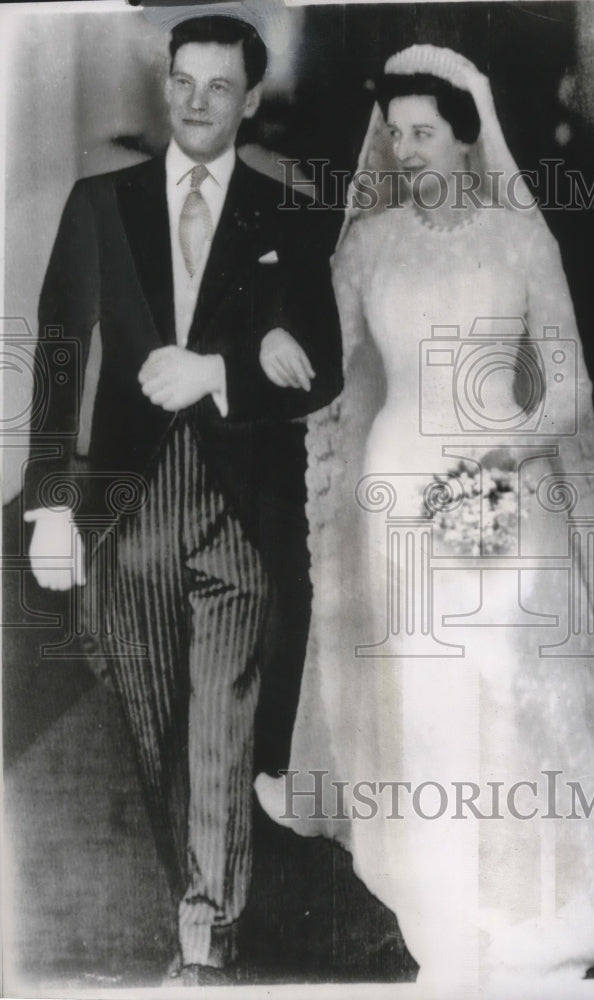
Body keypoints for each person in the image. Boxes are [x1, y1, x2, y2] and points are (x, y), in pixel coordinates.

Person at [256, 44, 594, 987]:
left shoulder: (521, 240)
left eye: (425, 132)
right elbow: (332, 371)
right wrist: (272, 327)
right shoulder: (366, 244)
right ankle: (447, 893)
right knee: (423, 695)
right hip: (393, 485)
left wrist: (495, 455)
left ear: (469, 136)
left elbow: (569, 389)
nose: (406, 152)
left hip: (501, 483)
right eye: (394, 135)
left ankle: (525, 890)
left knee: (510, 678)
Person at [23, 14, 342, 984]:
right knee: (156, 721)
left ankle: (207, 934)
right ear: (166, 85)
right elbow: (58, 353)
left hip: (239, 510)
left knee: (220, 725)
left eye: (219, 88)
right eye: (183, 83)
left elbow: (320, 367)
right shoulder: (100, 204)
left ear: (250, 100)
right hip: (125, 510)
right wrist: (46, 506)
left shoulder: (283, 212)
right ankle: (199, 888)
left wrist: (219, 370)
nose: (197, 105)